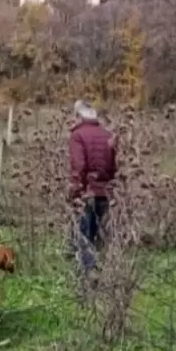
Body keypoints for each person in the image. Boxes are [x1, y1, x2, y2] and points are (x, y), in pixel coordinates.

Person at [67, 99, 117, 273]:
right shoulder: (107, 135)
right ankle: (105, 272)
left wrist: (74, 192)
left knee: (83, 236)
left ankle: (88, 276)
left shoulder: (78, 136)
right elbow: (114, 166)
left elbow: (78, 167)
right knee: (99, 236)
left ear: (78, 116)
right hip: (106, 193)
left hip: (87, 193)